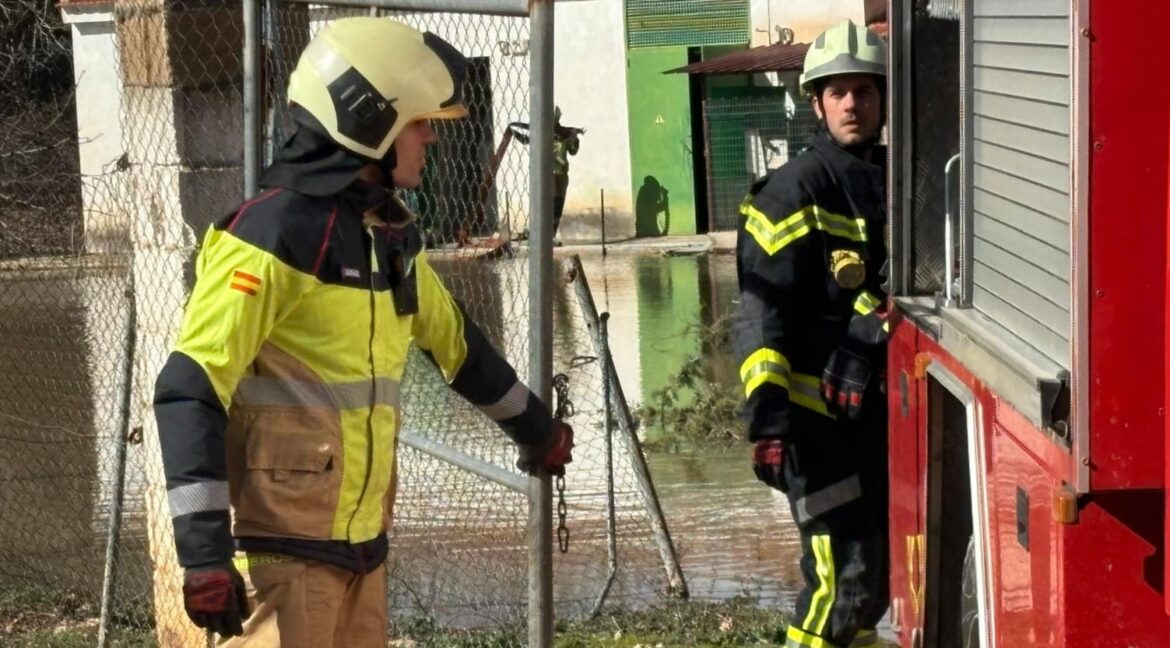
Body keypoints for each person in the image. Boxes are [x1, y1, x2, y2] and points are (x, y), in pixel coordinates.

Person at [153, 18, 574, 647]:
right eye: (419, 121)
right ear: (368, 122)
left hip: (361, 550)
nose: (431, 136)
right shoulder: (270, 234)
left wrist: (537, 431)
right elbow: (190, 389)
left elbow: (458, 347)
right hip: (278, 559)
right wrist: (203, 554)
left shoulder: (387, 234)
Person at [732, 19, 890, 648]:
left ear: (882, 98)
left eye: (864, 90)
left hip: (875, 423)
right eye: (837, 92)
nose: (853, 103)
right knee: (840, 582)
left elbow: (920, 278)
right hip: (812, 425)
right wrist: (769, 422)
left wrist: (868, 326)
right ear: (816, 103)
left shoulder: (904, 180)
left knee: (874, 587)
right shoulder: (793, 192)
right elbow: (759, 315)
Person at [513, 106, 582, 242]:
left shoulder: (564, 135)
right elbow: (527, 140)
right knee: (552, 199)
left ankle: (552, 233)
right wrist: (515, 134)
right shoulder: (541, 134)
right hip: (547, 172)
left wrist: (574, 140)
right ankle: (542, 232)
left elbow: (573, 151)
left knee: (559, 204)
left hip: (561, 173)